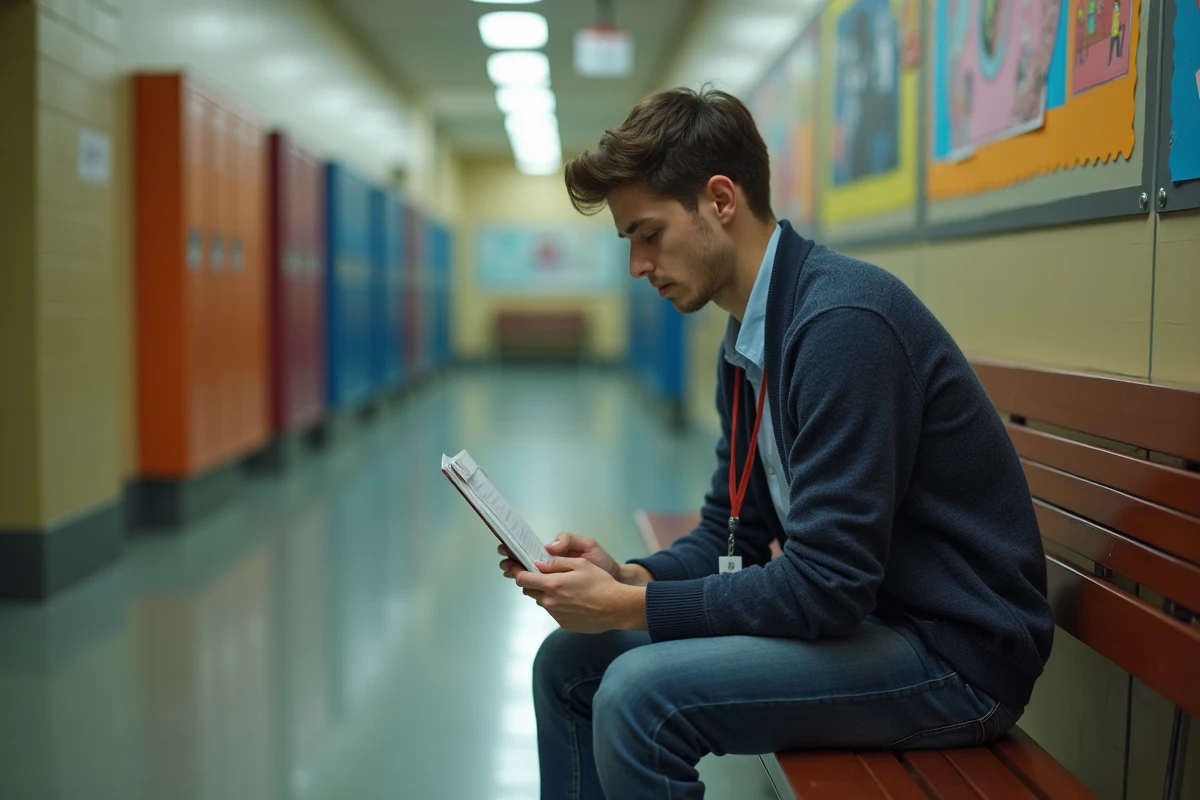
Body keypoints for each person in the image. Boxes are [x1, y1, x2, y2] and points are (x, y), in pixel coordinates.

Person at [498, 86, 1054, 800]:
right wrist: (635, 578)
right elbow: (732, 534)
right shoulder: (749, 339)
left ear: (721, 200)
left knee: (640, 696)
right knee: (569, 660)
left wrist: (630, 609)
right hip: (875, 623)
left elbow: (828, 587)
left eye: (648, 234)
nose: (638, 265)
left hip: (953, 656)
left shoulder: (841, 326)